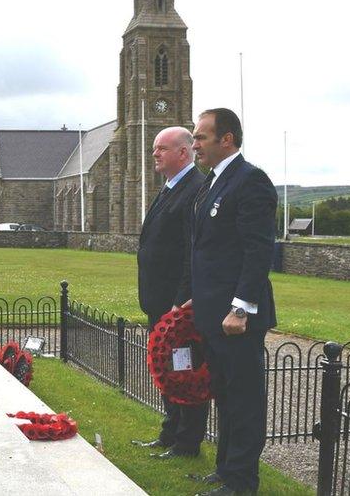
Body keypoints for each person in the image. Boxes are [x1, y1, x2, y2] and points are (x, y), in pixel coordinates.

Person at [184, 108, 278, 496]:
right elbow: (209, 250)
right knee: (224, 396)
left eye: (201, 137)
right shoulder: (212, 183)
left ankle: (242, 483)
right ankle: (225, 470)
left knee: (244, 401)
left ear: (227, 139)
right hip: (212, 313)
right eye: (193, 138)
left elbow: (257, 251)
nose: (195, 145)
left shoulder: (250, 180)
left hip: (235, 318)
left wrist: (241, 307)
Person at [132, 126, 209, 459]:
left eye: (161, 148)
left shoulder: (195, 189)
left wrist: (181, 301)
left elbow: (194, 251)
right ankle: (170, 432)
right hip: (158, 301)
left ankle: (187, 441)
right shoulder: (168, 188)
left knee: (184, 372)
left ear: (183, 152)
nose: (155, 154)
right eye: (154, 149)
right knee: (166, 369)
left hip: (177, 306)